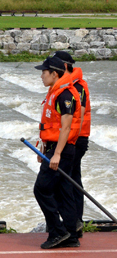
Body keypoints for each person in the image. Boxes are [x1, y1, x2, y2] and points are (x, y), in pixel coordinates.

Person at [33, 56, 83, 249]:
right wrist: (43, 148)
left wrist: (57, 154)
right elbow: (50, 125)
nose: (41, 76)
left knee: (41, 189)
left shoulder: (64, 94)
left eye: (44, 73)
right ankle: (70, 235)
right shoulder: (54, 92)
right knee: (63, 192)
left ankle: (58, 231)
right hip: (54, 148)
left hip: (61, 150)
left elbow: (66, 127)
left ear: (54, 74)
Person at [53, 51, 91, 239]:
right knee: (73, 178)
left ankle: (73, 222)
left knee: (66, 180)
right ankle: (75, 222)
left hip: (76, 139)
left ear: (65, 66)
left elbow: (79, 115)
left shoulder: (77, 87)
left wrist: (68, 144)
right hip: (71, 138)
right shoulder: (67, 85)